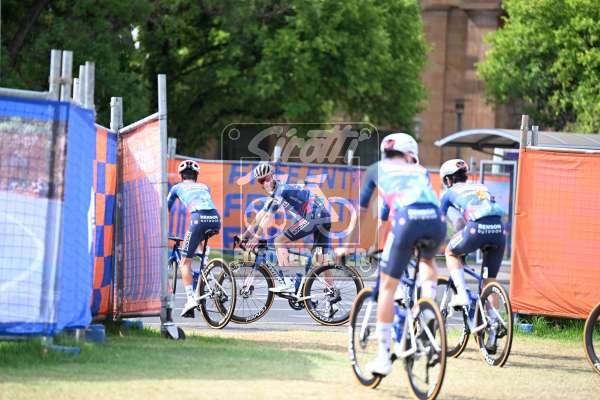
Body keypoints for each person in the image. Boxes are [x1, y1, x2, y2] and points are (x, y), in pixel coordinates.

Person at [358, 133, 446, 376]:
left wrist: (359, 245)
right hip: (435, 221)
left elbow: (379, 218)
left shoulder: (379, 170)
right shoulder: (420, 172)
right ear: (410, 155)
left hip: (406, 224)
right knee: (427, 260)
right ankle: (428, 306)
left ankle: (383, 358)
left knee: (387, 287)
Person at [439, 158, 506, 352]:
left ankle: (461, 294)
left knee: (451, 252)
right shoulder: (481, 187)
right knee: (489, 281)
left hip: (476, 229)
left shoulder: (449, 192)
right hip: (499, 231)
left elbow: (441, 221)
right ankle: (493, 329)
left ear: (448, 180)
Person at [239, 161, 331, 293]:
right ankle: (332, 294)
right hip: (324, 216)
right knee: (322, 260)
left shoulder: (280, 191)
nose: (265, 183)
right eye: (261, 181)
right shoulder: (277, 192)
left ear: (273, 176)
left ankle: (288, 282)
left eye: (267, 179)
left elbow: (268, 216)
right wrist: (245, 235)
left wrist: (256, 237)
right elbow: (260, 216)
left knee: (279, 241)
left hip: (313, 216)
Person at [167, 159, 221, 317]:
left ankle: (190, 299)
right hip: (215, 218)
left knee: (184, 262)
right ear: (196, 176)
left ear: (180, 176)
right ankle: (204, 262)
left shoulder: (176, 187)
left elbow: (165, 208)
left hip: (197, 218)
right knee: (197, 238)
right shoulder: (204, 186)